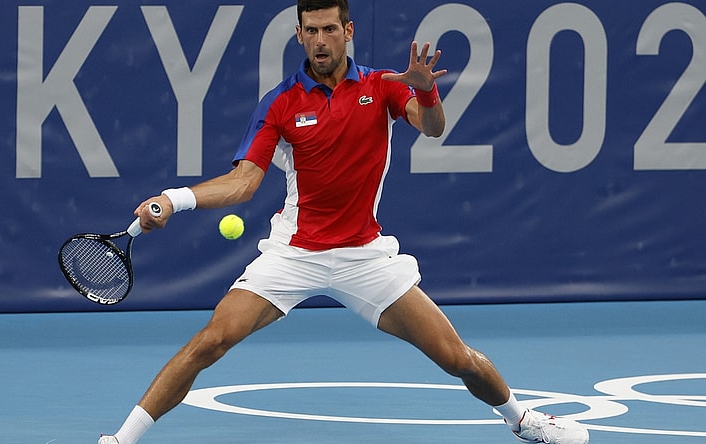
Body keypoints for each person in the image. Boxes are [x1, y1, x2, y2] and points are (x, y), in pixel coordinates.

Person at [99, 1, 589, 443]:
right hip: (294, 254)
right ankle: (121, 440)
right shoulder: (280, 102)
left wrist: (429, 91)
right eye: (310, 31)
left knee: (455, 356)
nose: (319, 40)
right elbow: (242, 183)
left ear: (348, 30)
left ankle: (523, 422)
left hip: (364, 256)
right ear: (299, 35)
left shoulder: (381, 87)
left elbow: (433, 128)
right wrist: (173, 198)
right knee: (210, 342)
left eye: (329, 29)